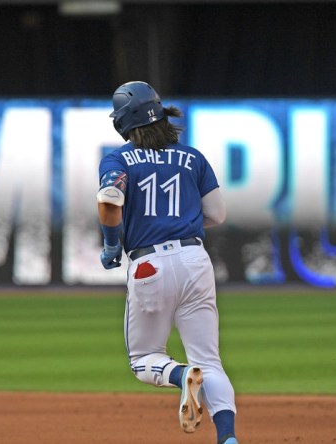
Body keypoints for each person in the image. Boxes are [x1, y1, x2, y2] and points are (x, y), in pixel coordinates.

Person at [97, 81, 238, 444]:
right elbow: (217, 214)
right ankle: (228, 438)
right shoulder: (193, 157)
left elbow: (110, 200)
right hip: (195, 259)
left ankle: (180, 375)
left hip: (149, 265)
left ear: (122, 122)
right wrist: (183, 222)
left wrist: (112, 244)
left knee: (144, 359)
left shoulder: (118, 159)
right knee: (211, 361)